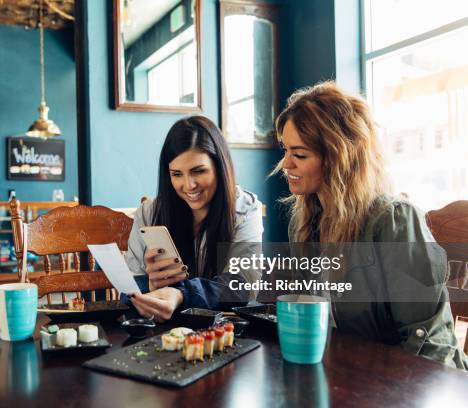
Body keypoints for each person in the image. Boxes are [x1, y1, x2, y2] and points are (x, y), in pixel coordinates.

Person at [274, 81, 466, 369]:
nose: (285, 164)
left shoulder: (395, 221)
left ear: (339, 158)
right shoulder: (302, 224)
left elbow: (427, 344)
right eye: (286, 150)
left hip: (412, 384)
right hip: (348, 374)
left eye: (299, 154)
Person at [126, 115, 263, 322]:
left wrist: (180, 293)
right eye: (177, 174)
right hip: (165, 333)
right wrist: (150, 287)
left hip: (227, 331)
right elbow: (127, 291)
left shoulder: (245, 209)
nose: (189, 185)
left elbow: (243, 285)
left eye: (198, 171)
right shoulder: (148, 212)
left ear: (219, 167)